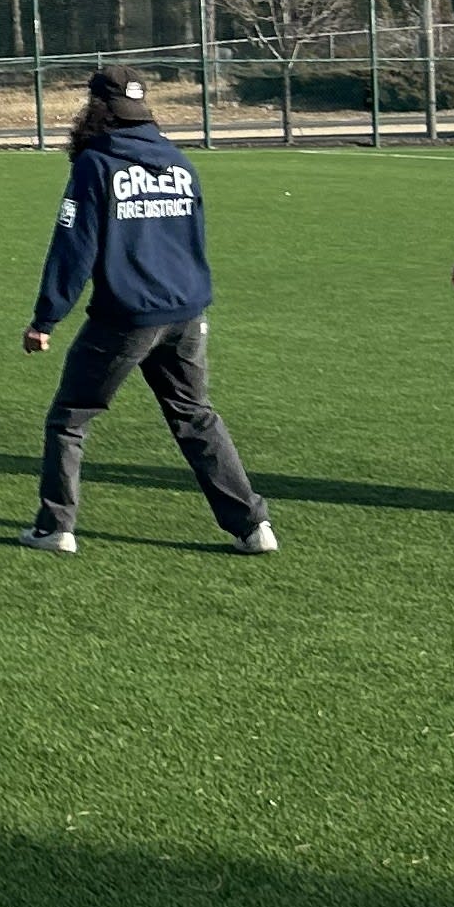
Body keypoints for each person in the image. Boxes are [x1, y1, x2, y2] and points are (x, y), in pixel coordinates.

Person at [17, 67, 276, 556]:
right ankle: (253, 526)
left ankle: (56, 528)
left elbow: (74, 248)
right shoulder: (180, 163)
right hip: (189, 313)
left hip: (128, 317)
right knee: (196, 418)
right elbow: (193, 241)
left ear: (95, 110)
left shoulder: (95, 165)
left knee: (69, 418)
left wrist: (45, 319)